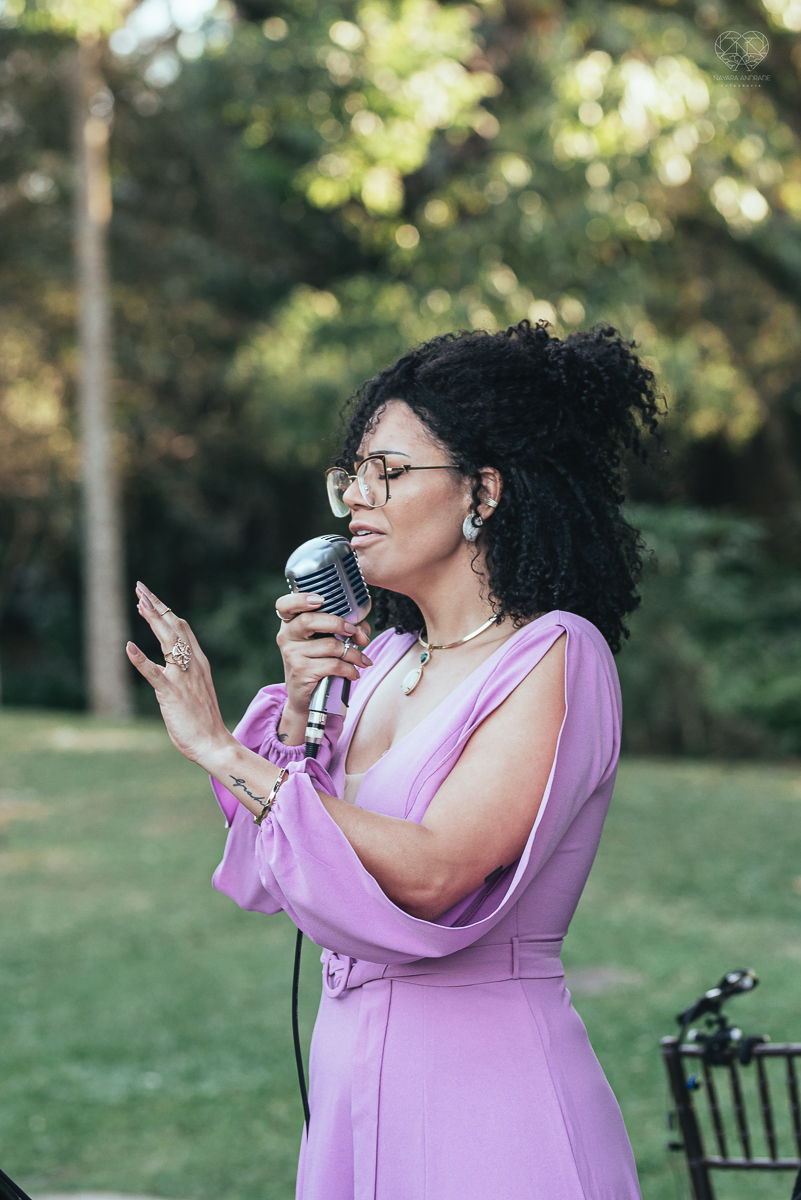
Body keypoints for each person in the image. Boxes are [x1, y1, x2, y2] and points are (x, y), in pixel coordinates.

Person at [127, 319, 660, 1200]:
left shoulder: (556, 656)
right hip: (348, 1076)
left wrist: (222, 750)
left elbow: (435, 872)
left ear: (481, 492)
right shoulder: (375, 664)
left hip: (489, 1097)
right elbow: (276, 874)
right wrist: (296, 713)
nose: (354, 503)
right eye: (353, 475)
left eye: (390, 473)